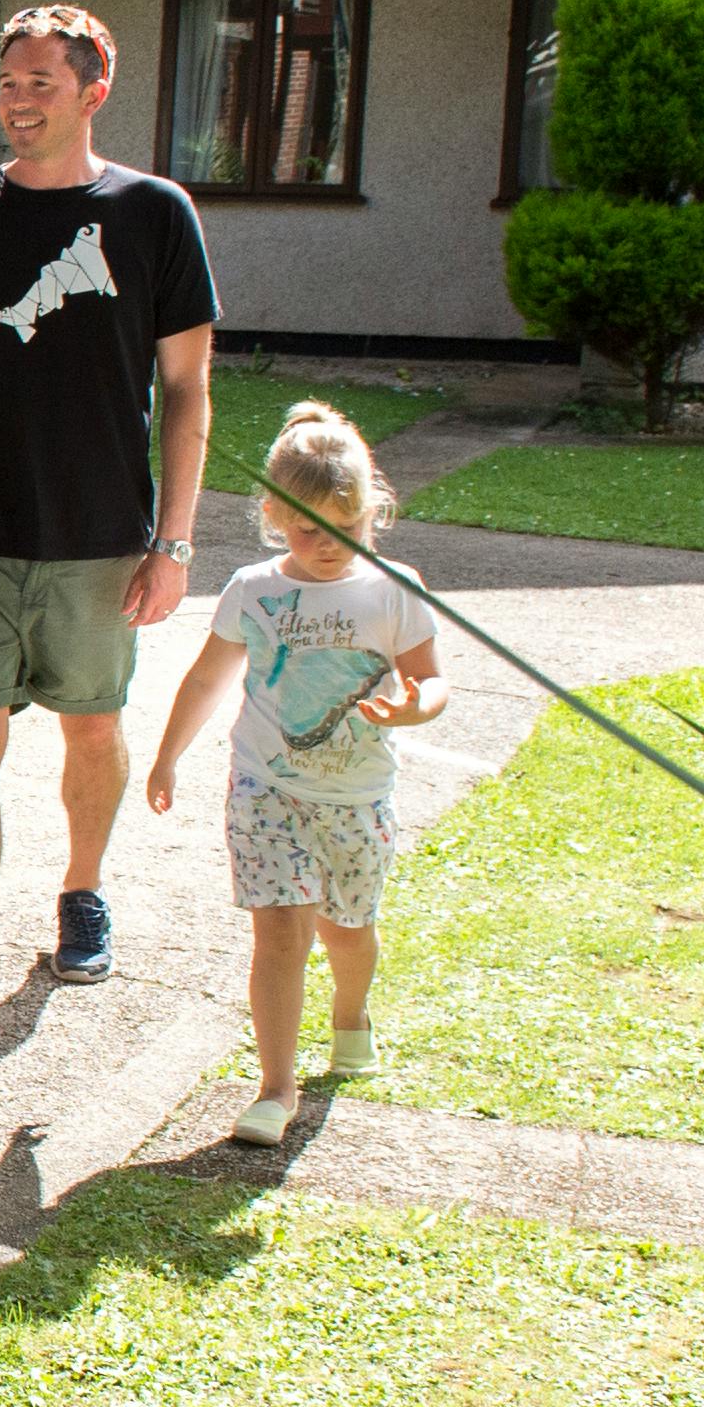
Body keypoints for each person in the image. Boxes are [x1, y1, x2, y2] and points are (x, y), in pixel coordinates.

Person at [0, 4, 218, 1050]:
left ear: (90, 88)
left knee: (89, 726)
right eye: (8, 82)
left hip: (101, 537)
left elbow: (189, 390)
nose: (17, 100)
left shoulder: (153, 214)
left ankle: (81, 889)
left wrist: (173, 543)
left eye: (39, 82)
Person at [144, 400, 443, 1146]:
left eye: (345, 526)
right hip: (266, 790)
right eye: (307, 529)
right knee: (279, 935)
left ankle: (351, 1015)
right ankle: (276, 1089)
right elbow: (209, 678)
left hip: (356, 796)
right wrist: (169, 753)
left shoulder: (394, 587)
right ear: (276, 517)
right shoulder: (255, 589)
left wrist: (416, 707)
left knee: (348, 929)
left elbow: (433, 682)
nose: (327, 544)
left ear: (371, 510)